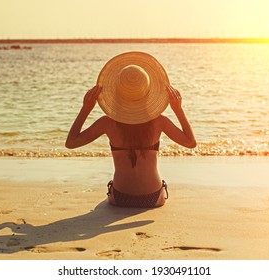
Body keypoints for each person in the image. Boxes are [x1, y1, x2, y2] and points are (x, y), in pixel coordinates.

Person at [65, 52, 196, 208]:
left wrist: (86, 108)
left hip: (121, 198)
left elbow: (71, 143)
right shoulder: (160, 121)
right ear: (148, 92)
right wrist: (178, 109)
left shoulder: (107, 123)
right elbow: (190, 143)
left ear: (117, 93)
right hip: (152, 198)